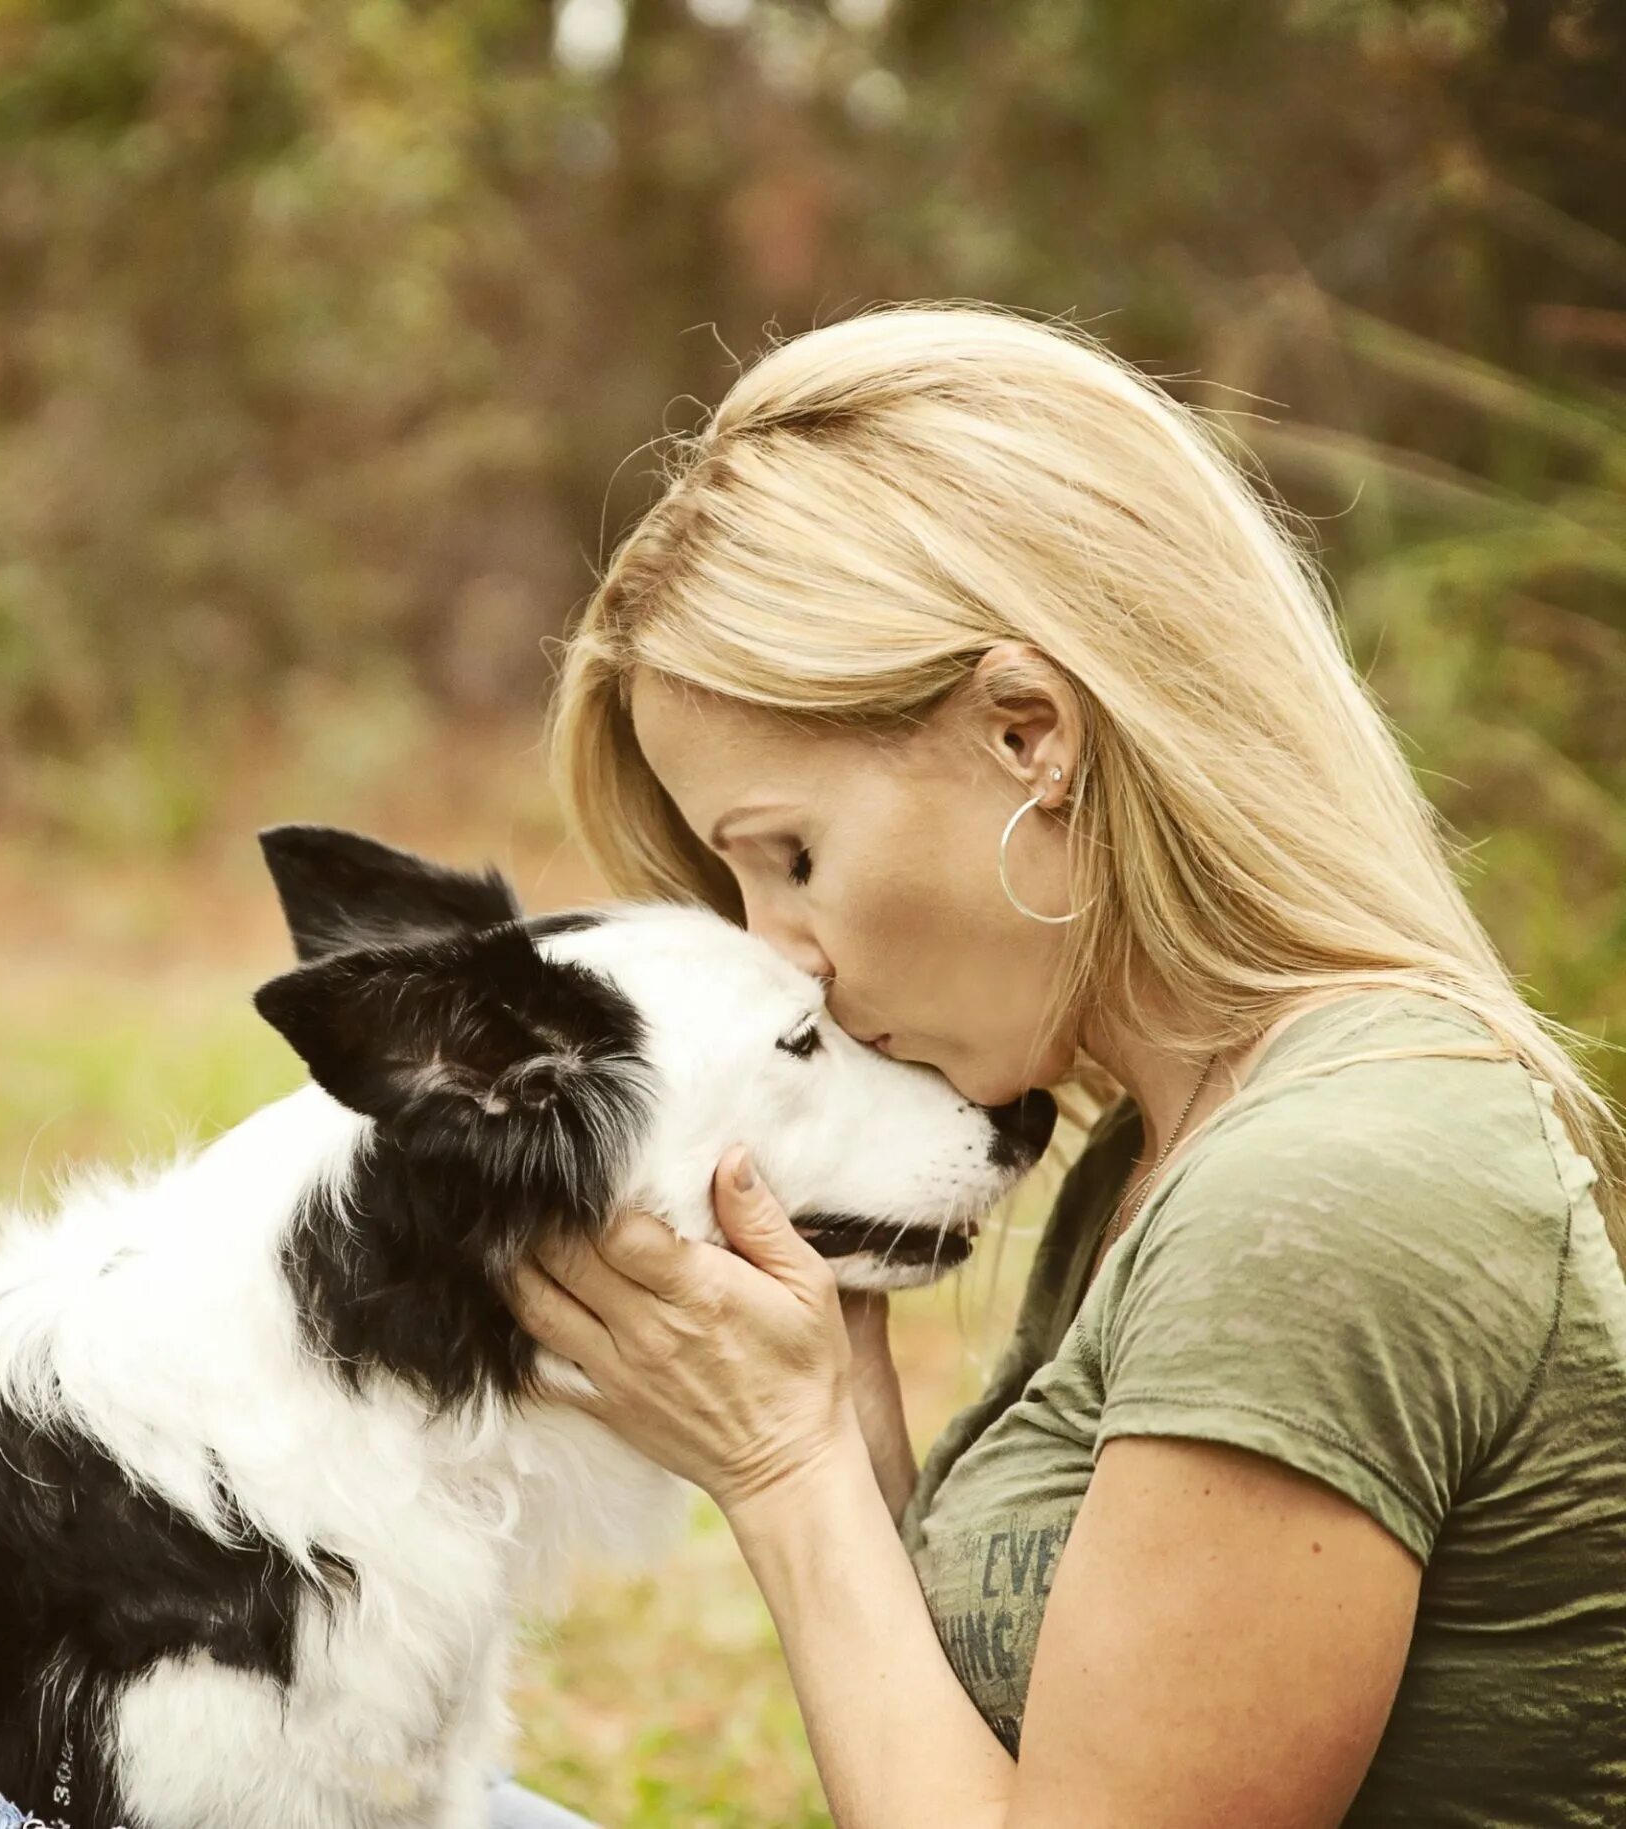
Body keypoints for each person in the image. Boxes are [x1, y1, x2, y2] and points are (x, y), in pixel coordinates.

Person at [488, 304, 1626, 1827]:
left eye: (793, 856)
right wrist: (841, 1382)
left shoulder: (1332, 1191)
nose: (786, 956)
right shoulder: (1169, 1151)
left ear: (1033, 733)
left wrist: (785, 1461)